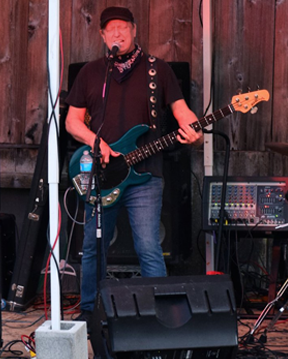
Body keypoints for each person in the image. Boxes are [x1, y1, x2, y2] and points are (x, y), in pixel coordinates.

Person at [64, 6, 201, 321]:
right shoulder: (91, 73)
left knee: (149, 247)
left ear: (134, 30)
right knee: (93, 245)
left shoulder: (158, 70)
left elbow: (182, 112)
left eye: (123, 27)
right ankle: (89, 312)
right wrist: (96, 142)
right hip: (101, 174)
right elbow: (72, 122)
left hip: (145, 175)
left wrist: (194, 131)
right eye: (111, 29)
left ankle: (160, 315)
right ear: (102, 35)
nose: (117, 33)